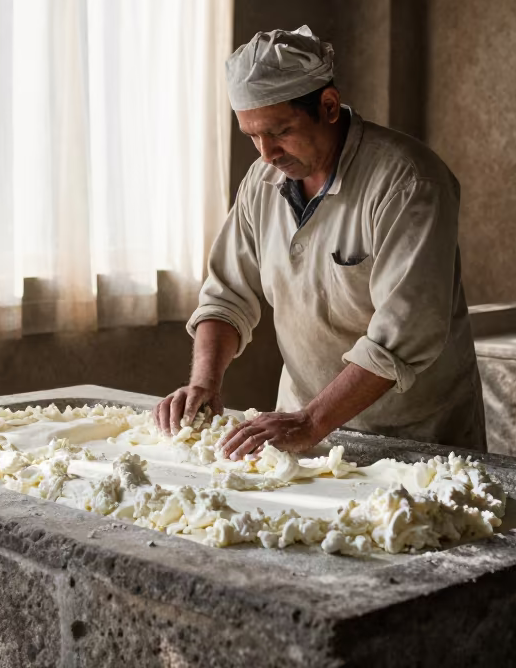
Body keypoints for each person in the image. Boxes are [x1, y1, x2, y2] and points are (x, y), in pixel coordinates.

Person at [153, 25, 485, 459]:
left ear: (328, 106)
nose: (266, 153)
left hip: (413, 438)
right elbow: (227, 296)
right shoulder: (262, 182)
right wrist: (204, 383)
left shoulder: (407, 181)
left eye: (280, 131)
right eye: (252, 136)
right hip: (298, 431)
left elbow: (403, 335)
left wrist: (313, 421)